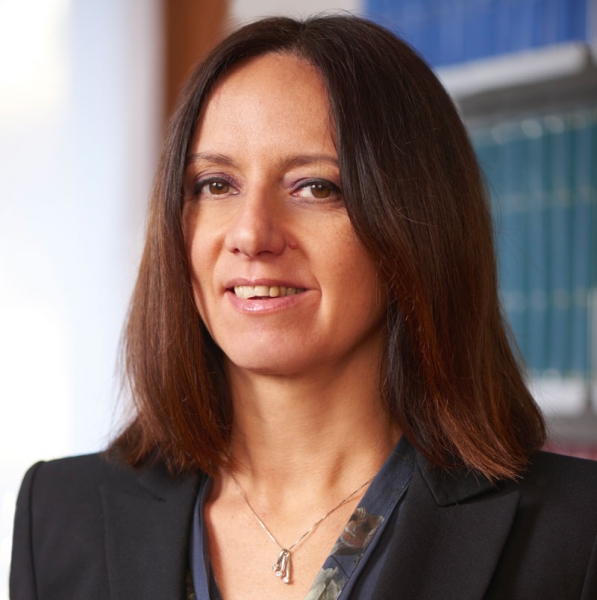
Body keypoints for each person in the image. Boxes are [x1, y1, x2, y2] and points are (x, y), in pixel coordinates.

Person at [10, 14, 597, 600]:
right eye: (216, 184)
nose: (251, 234)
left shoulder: (575, 531)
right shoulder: (59, 516)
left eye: (316, 187)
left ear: (417, 224)